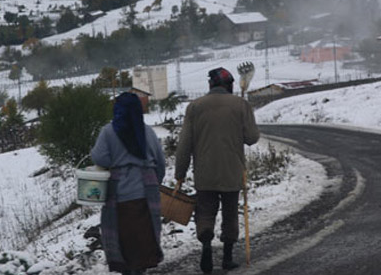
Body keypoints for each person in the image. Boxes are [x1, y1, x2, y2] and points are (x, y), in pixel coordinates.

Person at [175, 67, 260, 274]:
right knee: (230, 213)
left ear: (210, 85)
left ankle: (206, 245)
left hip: (205, 173)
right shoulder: (241, 105)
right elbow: (252, 138)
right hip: (232, 171)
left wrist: (180, 174)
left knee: (205, 211)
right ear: (230, 85)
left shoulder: (194, 107)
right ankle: (227, 258)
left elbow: (184, 144)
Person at [91, 92, 166, 275]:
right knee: (143, 238)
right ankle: (140, 268)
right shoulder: (147, 131)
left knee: (124, 239)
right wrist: (155, 182)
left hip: (120, 195)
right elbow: (160, 162)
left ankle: (128, 269)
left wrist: (114, 164)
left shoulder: (108, 132)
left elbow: (99, 157)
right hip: (146, 193)